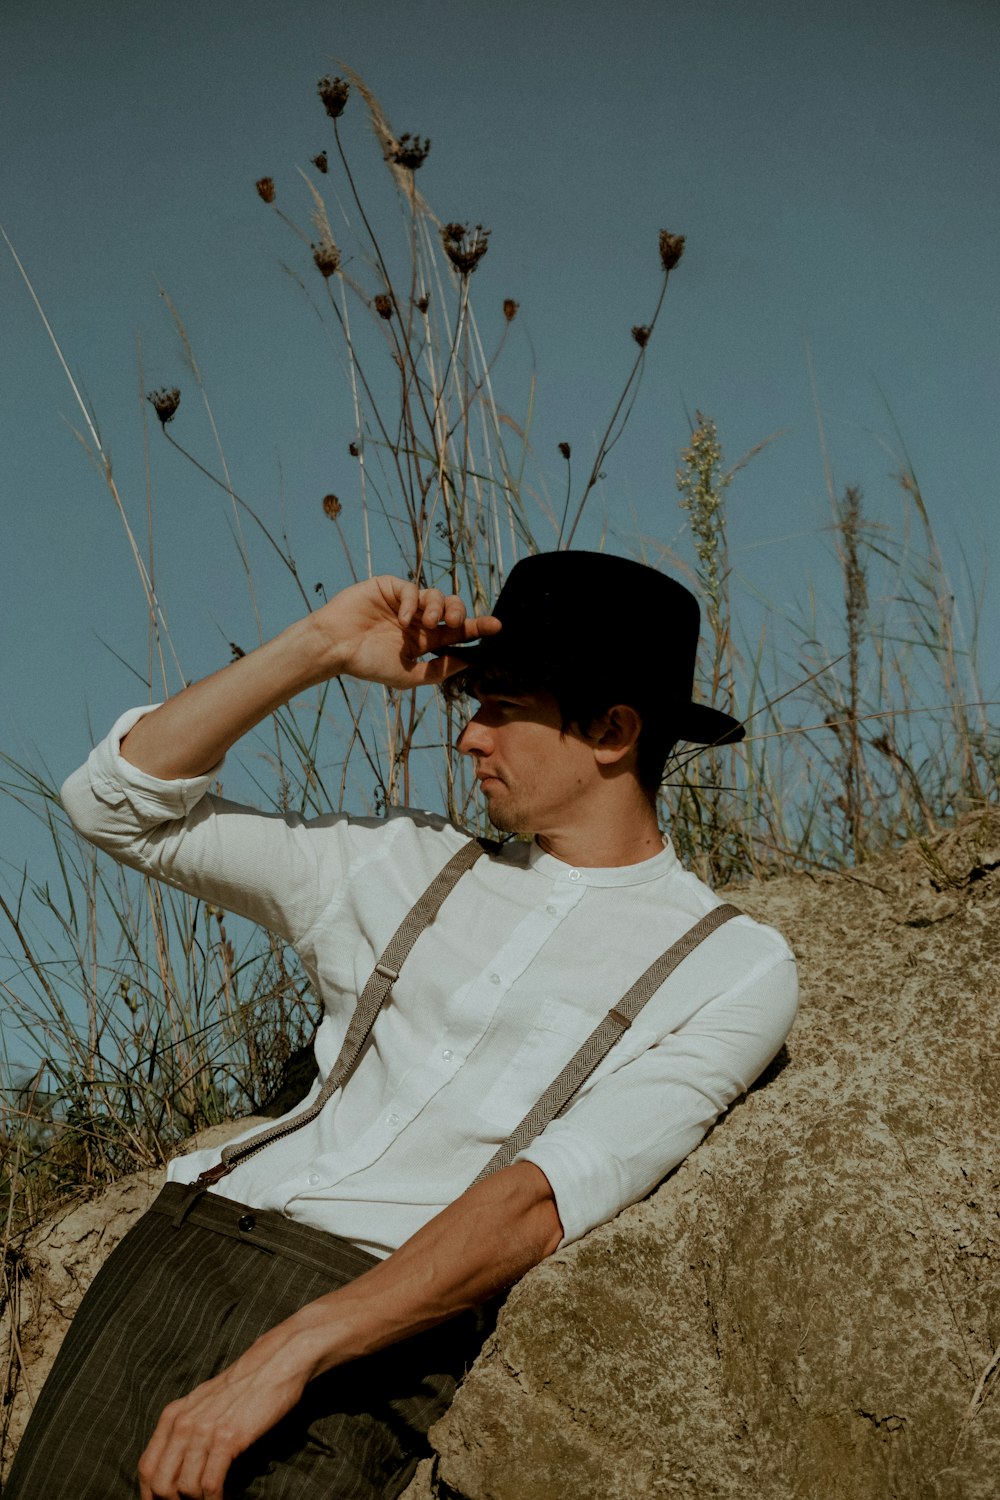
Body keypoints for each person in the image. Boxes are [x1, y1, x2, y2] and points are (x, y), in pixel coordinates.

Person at [7, 552, 797, 1500]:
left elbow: (541, 1201)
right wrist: (319, 646)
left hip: (376, 1340)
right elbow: (115, 807)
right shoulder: (397, 862)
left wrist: (291, 1351)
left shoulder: (729, 963)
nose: (468, 736)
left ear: (613, 731)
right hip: (179, 1262)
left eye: (503, 705)